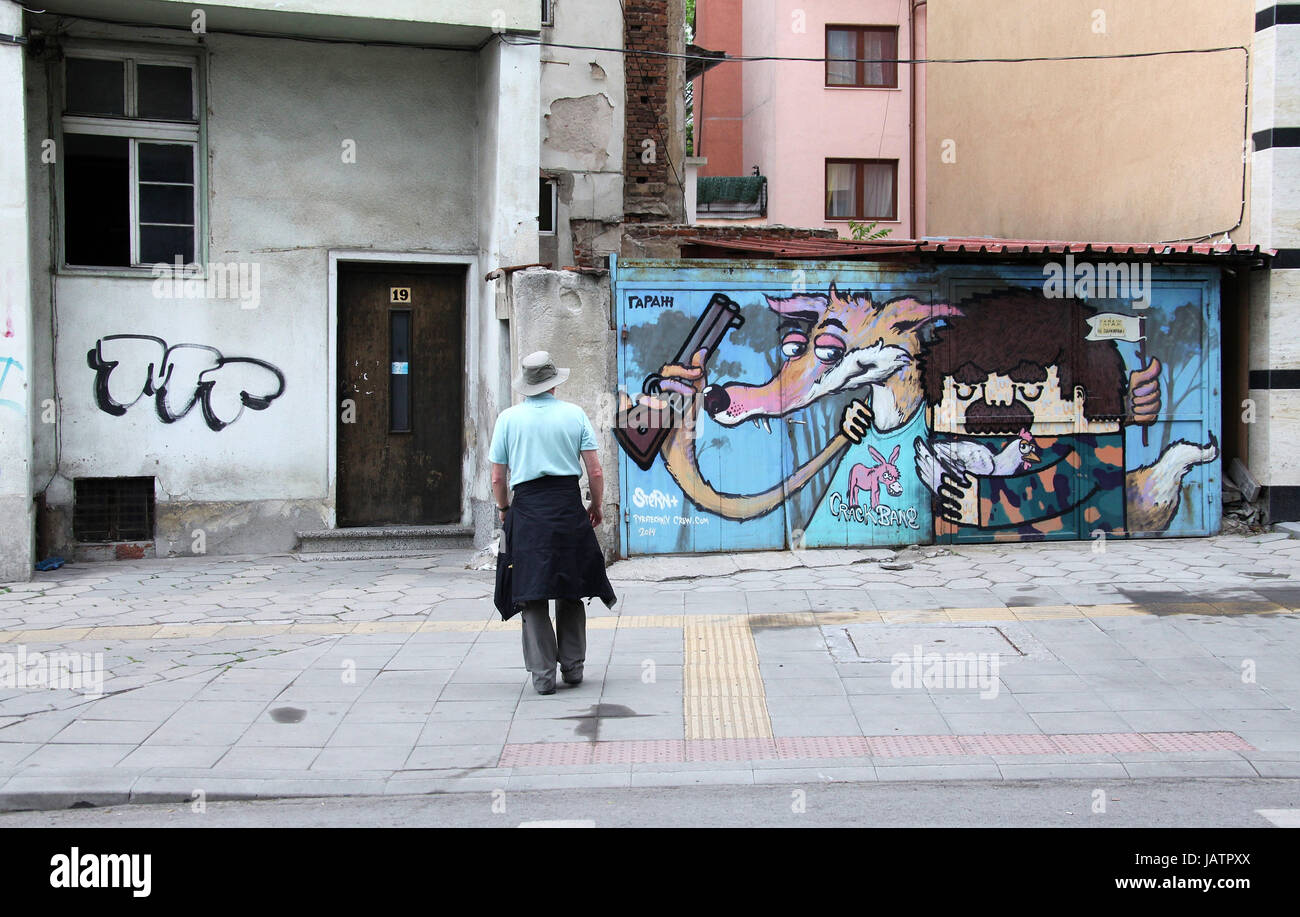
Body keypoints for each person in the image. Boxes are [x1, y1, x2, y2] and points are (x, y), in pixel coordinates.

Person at [489, 351, 617, 695]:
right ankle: (573, 669)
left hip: (527, 510)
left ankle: (543, 677)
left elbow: (498, 478)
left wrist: (504, 509)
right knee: (570, 587)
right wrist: (596, 504)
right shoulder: (574, 415)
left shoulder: (508, 419)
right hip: (566, 507)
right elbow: (596, 469)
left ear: (525, 387)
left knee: (531, 593)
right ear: (554, 384)